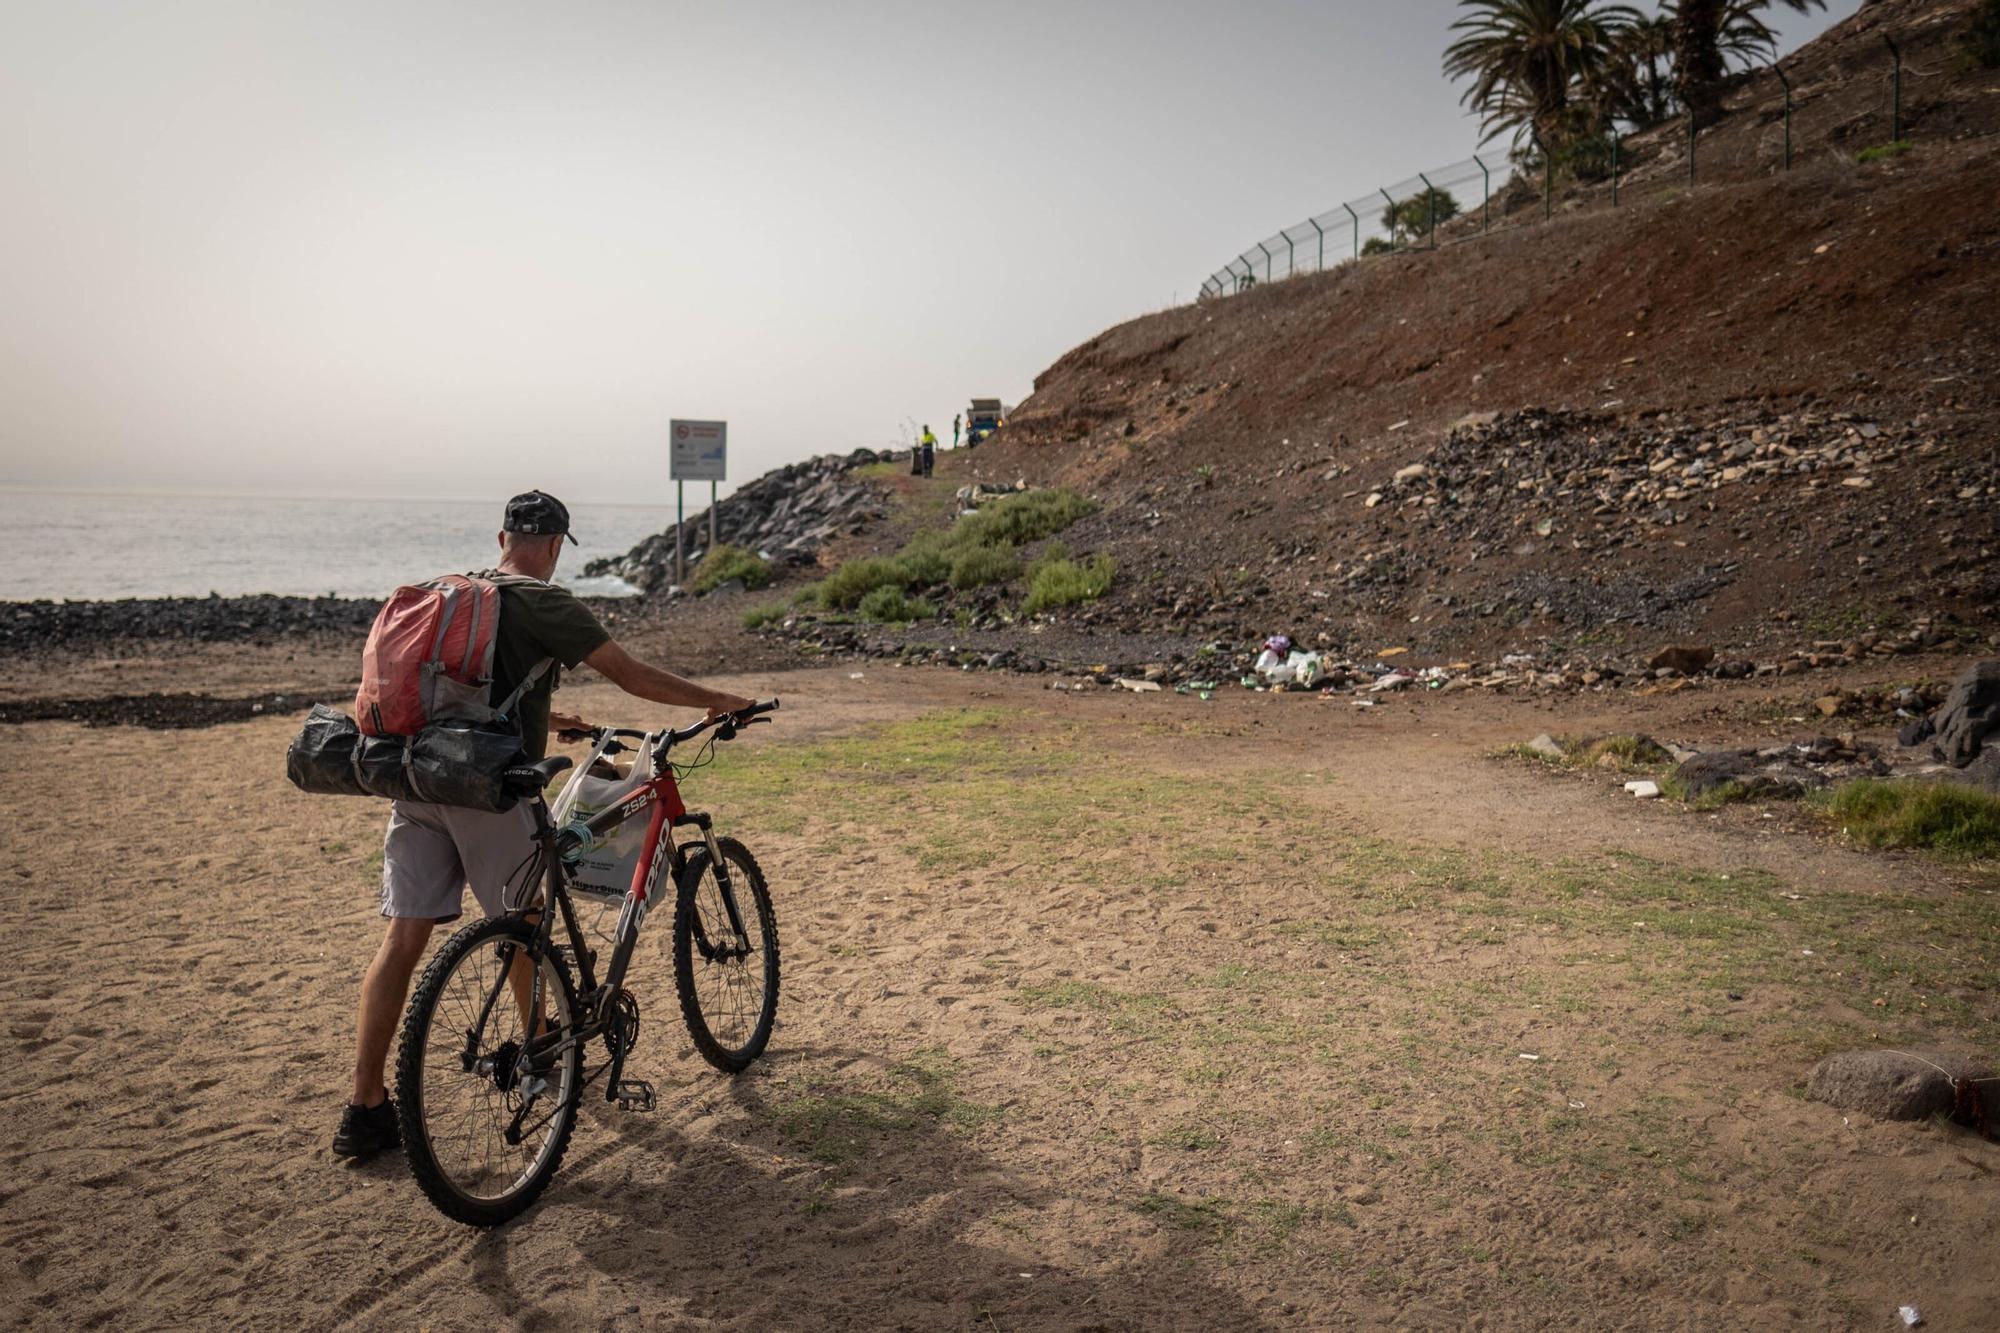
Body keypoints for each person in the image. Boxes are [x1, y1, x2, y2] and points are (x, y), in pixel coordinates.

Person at [332, 490, 755, 1159]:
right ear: (557, 545)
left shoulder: (452, 592)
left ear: (502, 535)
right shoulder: (544, 600)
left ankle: (364, 1109)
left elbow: (469, 688)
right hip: (491, 792)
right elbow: (630, 674)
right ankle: (537, 1048)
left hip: (418, 779)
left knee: (402, 940)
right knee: (525, 925)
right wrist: (720, 699)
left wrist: (556, 721)